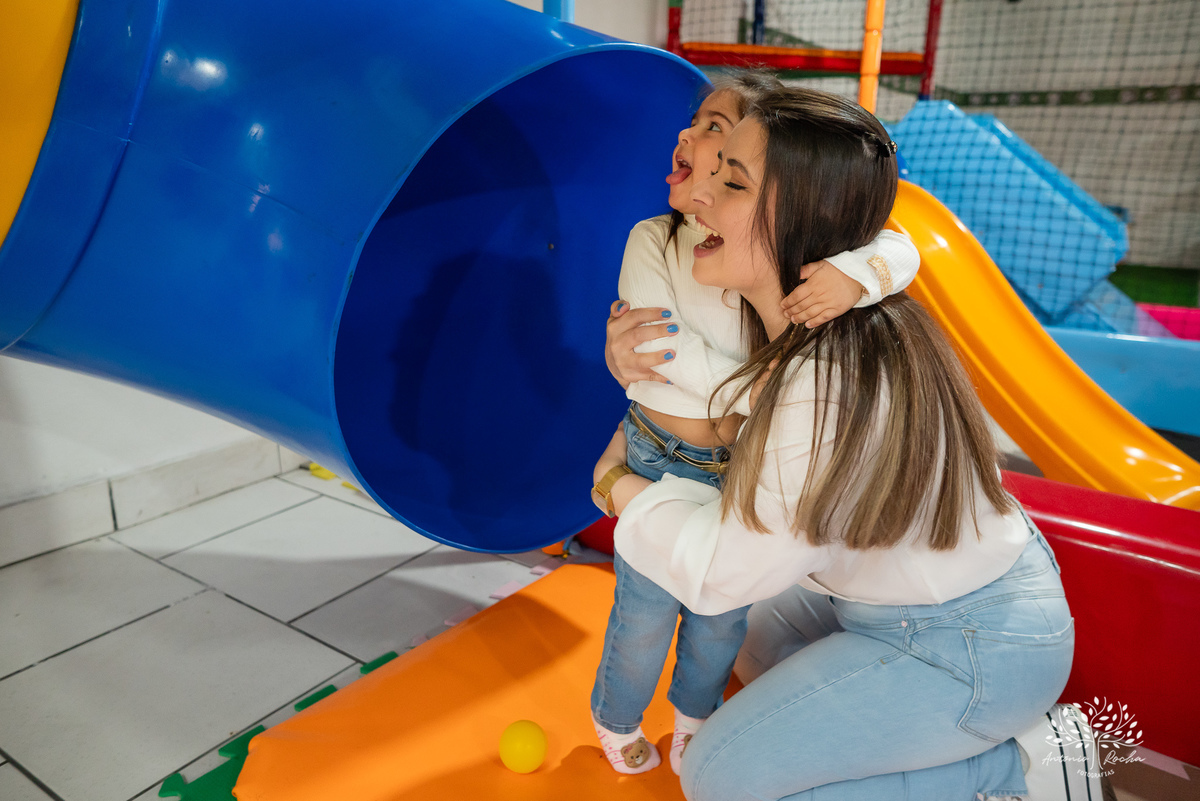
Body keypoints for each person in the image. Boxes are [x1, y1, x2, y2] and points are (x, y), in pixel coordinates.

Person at [591, 87, 1074, 800]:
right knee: (745, 634)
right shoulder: (834, 305)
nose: (700, 200)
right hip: (904, 603)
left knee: (717, 773)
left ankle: (1011, 768)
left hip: (969, 647)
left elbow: (722, 571)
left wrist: (613, 484)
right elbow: (880, 240)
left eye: (732, 182)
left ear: (799, 220)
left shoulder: (822, 380)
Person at [588, 72, 921, 776]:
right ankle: (616, 717)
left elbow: (900, 244)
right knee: (645, 614)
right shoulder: (659, 240)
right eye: (699, 121)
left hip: (733, 461)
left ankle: (693, 718)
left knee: (721, 620)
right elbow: (659, 349)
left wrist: (859, 276)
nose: (689, 134)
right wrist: (751, 391)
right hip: (660, 451)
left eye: (717, 130)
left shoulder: (770, 260)